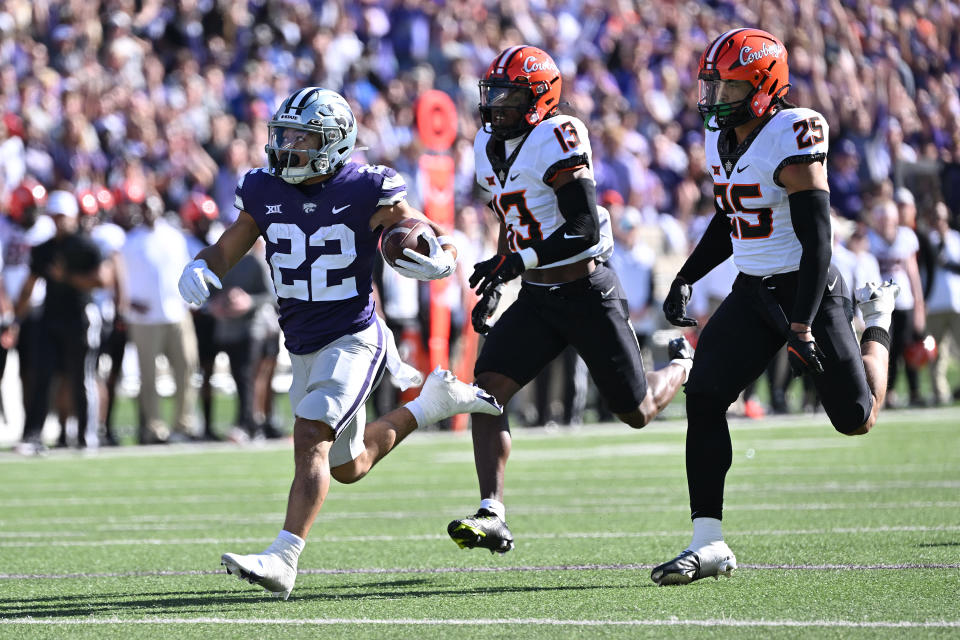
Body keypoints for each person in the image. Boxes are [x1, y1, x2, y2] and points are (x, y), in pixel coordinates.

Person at [177, 87, 502, 599]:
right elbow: (232, 242)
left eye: (302, 139)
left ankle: (283, 558)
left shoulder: (369, 186)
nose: (288, 148)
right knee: (348, 467)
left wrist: (441, 253)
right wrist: (203, 265)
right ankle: (434, 403)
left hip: (354, 337)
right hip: (301, 342)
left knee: (310, 437)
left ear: (334, 143)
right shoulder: (263, 187)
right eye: (283, 136)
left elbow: (421, 228)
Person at [653, 28, 900, 586]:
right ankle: (707, 540)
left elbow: (819, 242)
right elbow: (731, 217)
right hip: (754, 288)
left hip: (807, 288)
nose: (715, 98)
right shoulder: (726, 140)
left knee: (855, 419)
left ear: (764, 85)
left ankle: (878, 323)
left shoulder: (794, 131)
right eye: (712, 86)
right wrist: (686, 276)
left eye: (729, 87)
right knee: (707, 395)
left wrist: (803, 323)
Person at [446, 46, 694, 554]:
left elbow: (581, 228)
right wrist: (499, 279)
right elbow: (512, 220)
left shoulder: (558, 135)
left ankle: (682, 365)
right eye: (492, 94)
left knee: (637, 409)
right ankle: (492, 511)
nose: (496, 106)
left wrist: (515, 263)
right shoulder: (485, 144)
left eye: (509, 96)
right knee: (486, 391)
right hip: (538, 297)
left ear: (540, 98)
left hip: (586, 289)